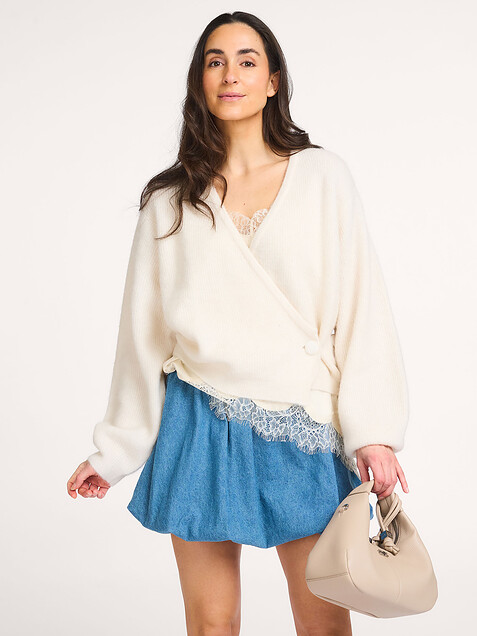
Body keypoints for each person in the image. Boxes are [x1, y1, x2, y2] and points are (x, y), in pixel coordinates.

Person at [67, 11, 409, 636]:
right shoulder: (169, 201)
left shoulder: (323, 177)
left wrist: (375, 431)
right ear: (200, 81)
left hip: (301, 421)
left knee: (324, 622)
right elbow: (142, 336)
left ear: (273, 81)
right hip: (197, 420)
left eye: (247, 61)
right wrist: (114, 451)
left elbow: (364, 308)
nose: (230, 74)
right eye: (215, 61)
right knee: (210, 623)